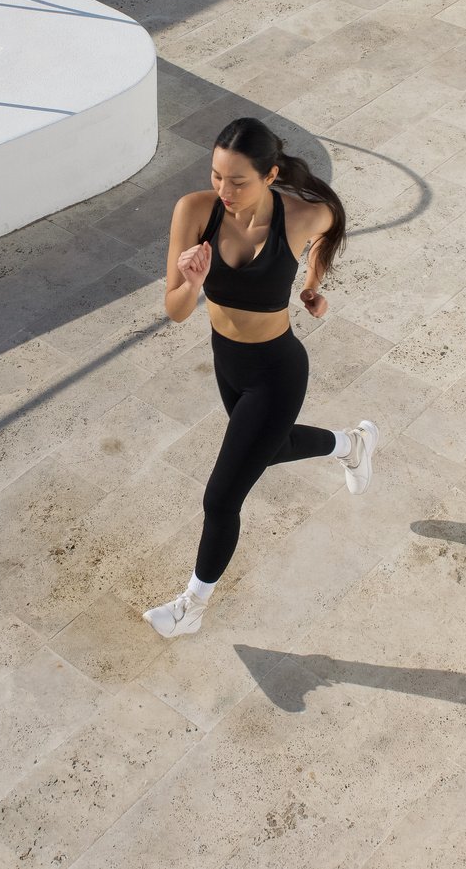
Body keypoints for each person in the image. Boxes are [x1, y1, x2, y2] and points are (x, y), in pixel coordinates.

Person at [144, 117, 377, 638]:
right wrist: (193, 283)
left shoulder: (301, 215)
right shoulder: (194, 211)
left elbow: (330, 224)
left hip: (276, 370)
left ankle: (191, 607)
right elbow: (176, 311)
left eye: (238, 181)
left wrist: (313, 285)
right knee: (269, 450)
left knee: (222, 498)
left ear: (270, 175)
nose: (224, 190)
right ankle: (351, 444)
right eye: (217, 175)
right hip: (228, 363)